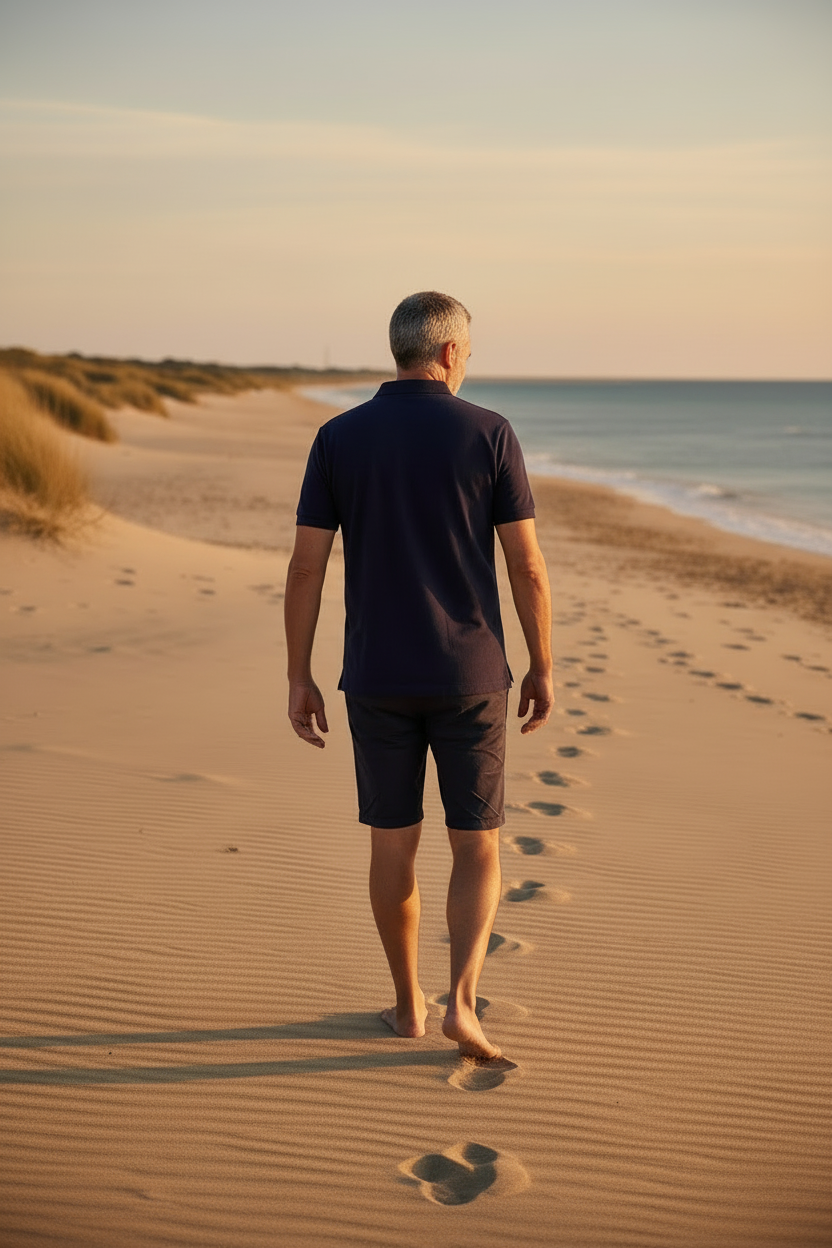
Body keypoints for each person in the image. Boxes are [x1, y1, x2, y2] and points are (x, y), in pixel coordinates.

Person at [284, 291, 553, 1060]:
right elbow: (526, 564)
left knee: (392, 844)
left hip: (375, 673)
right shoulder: (490, 433)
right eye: (467, 350)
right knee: (477, 845)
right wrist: (542, 662)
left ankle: (407, 1005)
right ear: (448, 353)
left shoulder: (339, 436)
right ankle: (461, 1004)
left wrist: (299, 674)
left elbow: (307, 565)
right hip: (471, 674)